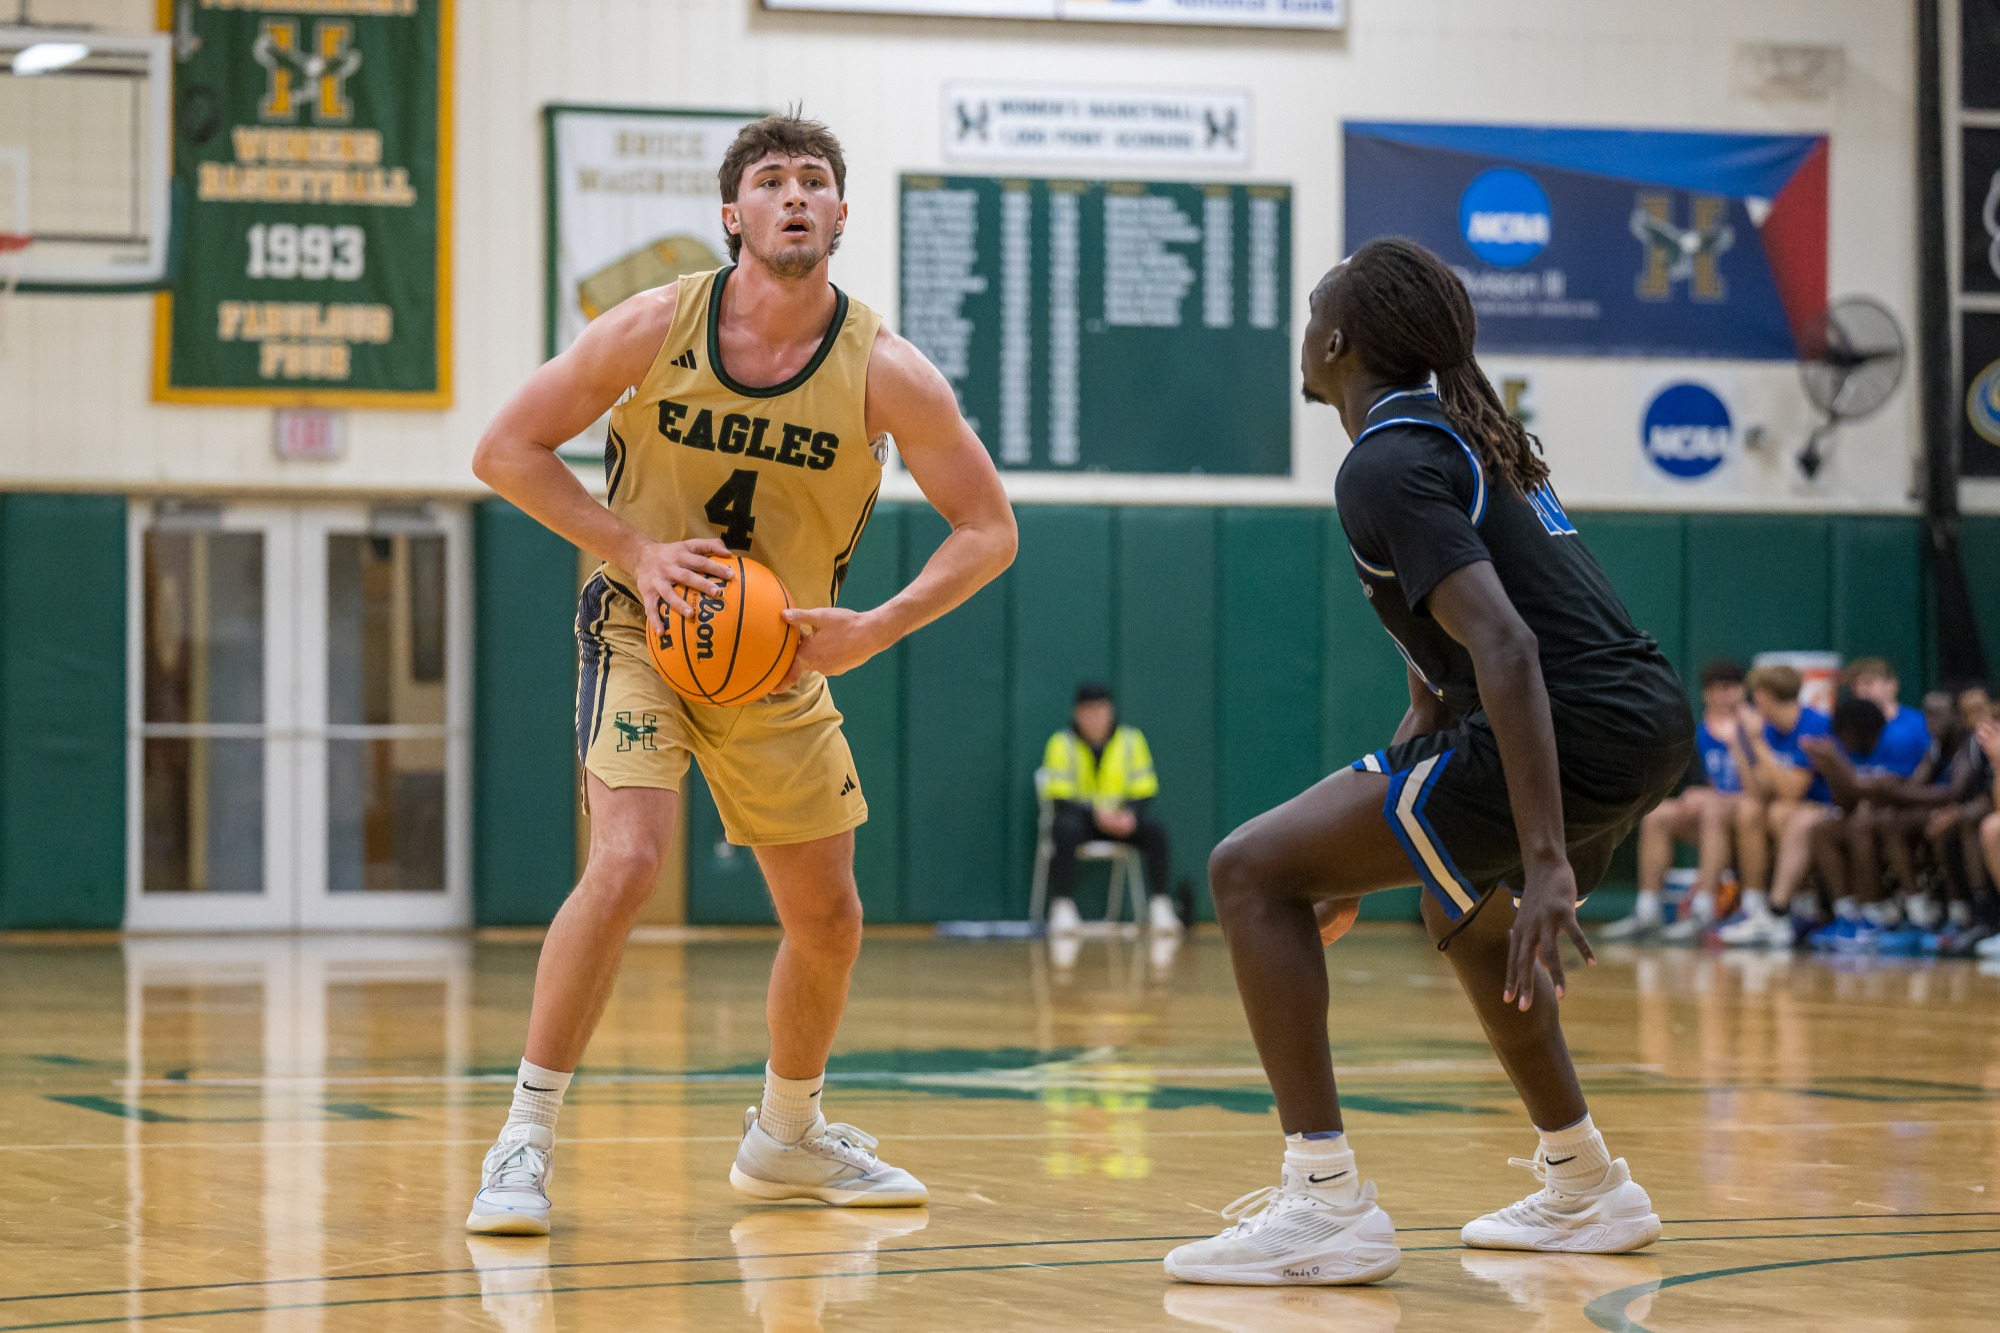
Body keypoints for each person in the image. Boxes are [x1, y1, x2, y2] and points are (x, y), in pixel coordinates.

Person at [462, 113, 1017, 1234]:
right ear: (734, 216)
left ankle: (786, 1135)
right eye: (771, 182)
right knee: (626, 861)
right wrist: (632, 548)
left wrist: (878, 624)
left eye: (815, 182)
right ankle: (521, 1138)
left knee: (830, 918)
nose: (796, 197)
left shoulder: (887, 369)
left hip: (779, 656)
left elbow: (987, 528)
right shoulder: (652, 325)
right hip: (640, 628)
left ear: (843, 215)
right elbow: (503, 449)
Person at [1163, 239, 1692, 1287]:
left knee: (1247, 871)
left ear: (1336, 339)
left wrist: (1544, 857)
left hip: (1566, 722)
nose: (1303, 323)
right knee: (1462, 915)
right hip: (1637, 717)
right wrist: (1372, 835)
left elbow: (1505, 645)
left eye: (1313, 305)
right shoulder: (1450, 438)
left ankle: (1323, 1203)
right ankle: (1585, 1183)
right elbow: (1442, 664)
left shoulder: (1387, 461)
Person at [1600, 659, 1746, 943]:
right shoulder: (1698, 731)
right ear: (1706, 694)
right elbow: (1693, 784)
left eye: (1731, 688)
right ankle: (1648, 910)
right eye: (1717, 689)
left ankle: (1704, 909)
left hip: (1748, 812)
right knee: (1658, 813)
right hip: (1710, 815)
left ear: (1743, 691)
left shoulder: (1757, 728)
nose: (1724, 695)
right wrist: (1695, 793)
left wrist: (1743, 740)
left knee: (1713, 808)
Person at [1040, 682, 1179, 936]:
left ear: (1111, 711)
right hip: (1081, 821)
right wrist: (1094, 813)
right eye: (1088, 710)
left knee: (1155, 830)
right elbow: (1057, 795)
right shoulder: (1061, 744)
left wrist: (1130, 814)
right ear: (1077, 713)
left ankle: (1160, 905)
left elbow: (1145, 786)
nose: (1095, 717)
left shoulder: (1131, 740)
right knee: (1062, 829)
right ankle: (1062, 906)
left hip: (1120, 820)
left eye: (1101, 710)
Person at [1713, 665, 1833, 948]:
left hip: (1826, 806)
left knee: (1781, 814)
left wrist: (1756, 742)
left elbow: (1792, 791)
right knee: (1749, 810)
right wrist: (1739, 745)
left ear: (1764, 696)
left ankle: (1788, 909)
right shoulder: (1768, 729)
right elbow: (1757, 791)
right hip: (1791, 807)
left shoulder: (1815, 724)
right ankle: (1754, 906)